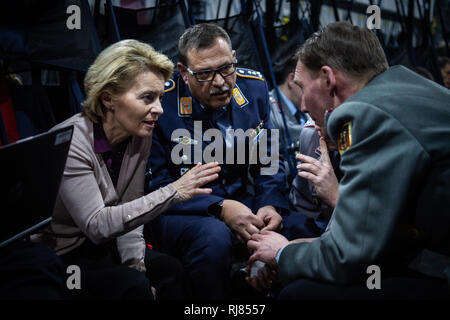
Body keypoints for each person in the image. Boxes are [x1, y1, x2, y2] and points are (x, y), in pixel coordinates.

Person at [247, 21, 450, 299]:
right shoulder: (412, 88)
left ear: (329, 80)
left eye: (301, 86)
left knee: (298, 295)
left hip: (438, 269)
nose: (303, 106)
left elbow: (349, 255)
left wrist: (282, 253)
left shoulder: (363, 114)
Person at [32, 39, 221, 300]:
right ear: (108, 98)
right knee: (130, 286)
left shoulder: (139, 133)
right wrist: (173, 192)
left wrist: (137, 267)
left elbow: (132, 210)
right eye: (147, 98)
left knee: (170, 271)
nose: (159, 109)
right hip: (64, 258)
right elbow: (97, 225)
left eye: (160, 97)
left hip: (104, 247)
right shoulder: (73, 142)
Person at [146, 23, 314, 299]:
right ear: (183, 73)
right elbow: (158, 187)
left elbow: (268, 162)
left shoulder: (254, 88)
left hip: (242, 202)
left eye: (226, 68)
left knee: (297, 226)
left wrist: (269, 204)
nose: (221, 82)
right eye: (204, 74)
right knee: (213, 238)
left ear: (234, 57)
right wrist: (220, 208)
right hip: (183, 211)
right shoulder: (162, 104)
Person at [289, 120, 342, 235]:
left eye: (327, 117)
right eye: (315, 119)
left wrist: (335, 197)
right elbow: (303, 199)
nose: (318, 127)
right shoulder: (310, 132)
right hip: (315, 219)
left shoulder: (373, 143)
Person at [269, 55, 309, 178]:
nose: (312, 89)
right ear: (292, 80)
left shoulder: (303, 105)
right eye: (307, 84)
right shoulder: (269, 109)